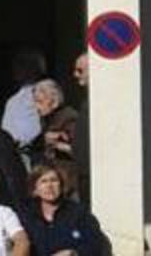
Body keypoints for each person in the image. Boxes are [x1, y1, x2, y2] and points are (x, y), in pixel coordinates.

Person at [19, 164, 109, 256]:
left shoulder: (78, 212)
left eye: (54, 180)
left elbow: (95, 243)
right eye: (43, 181)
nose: (49, 186)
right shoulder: (26, 215)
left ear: (61, 186)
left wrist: (74, 253)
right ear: (35, 189)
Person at [28, 79, 79, 197]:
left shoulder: (68, 117)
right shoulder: (46, 119)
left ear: (54, 101)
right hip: (50, 179)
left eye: (40, 102)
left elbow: (77, 149)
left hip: (67, 182)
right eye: (35, 102)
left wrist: (57, 143)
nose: (36, 107)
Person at [1, 50, 46, 149]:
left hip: (32, 151)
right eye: (18, 66)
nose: (17, 70)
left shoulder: (43, 93)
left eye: (23, 66)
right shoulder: (13, 99)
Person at [70, 53, 90, 201]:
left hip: (93, 173)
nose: (75, 74)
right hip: (83, 173)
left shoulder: (97, 102)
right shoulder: (87, 101)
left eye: (80, 70)